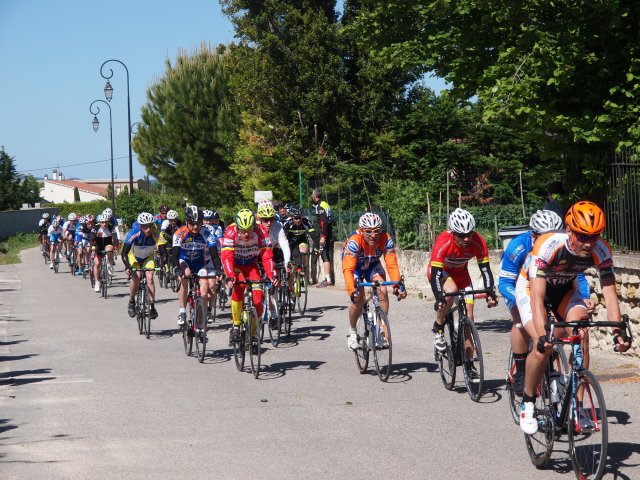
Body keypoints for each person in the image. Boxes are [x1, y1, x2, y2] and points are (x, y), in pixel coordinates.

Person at [517, 201, 631, 435]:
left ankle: (577, 407)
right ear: (569, 230)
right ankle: (527, 402)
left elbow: (610, 295)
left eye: (594, 236)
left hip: (565, 290)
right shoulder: (548, 245)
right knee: (543, 346)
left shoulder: (601, 250)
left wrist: (617, 331)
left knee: (582, 332)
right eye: (583, 236)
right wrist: (542, 335)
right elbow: (537, 298)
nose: (589, 243)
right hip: (531, 289)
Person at [498, 209, 589, 395]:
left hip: (551, 287)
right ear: (533, 236)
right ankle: (521, 370)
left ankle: (552, 364)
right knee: (520, 321)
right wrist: (520, 303)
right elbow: (505, 282)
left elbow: (577, 275)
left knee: (559, 327)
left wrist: (585, 296)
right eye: (543, 236)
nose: (550, 239)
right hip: (520, 287)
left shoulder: (564, 245)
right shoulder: (518, 246)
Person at [428, 208, 498, 375]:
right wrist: (439, 297)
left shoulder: (478, 242)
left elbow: (485, 270)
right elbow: (436, 273)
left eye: (469, 234)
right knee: (450, 291)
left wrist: (490, 292)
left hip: (462, 275)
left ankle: (469, 364)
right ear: (452, 232)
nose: (466, 238)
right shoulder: (443, 241)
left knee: (469, 317)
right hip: (441, 273)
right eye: (461, 235)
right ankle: (438, 326)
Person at [342, 212, 406, 350]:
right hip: (355, 267)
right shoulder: (354, 241)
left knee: (382, 289)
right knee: (358, 297)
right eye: (368, 231)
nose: (373, 235)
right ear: (361, 230)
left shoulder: (385, 239)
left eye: (377, 231)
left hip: (372, 265)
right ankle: (352, 331)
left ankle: (382, 330)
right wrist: (352, 291)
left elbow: (392, 265)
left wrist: (397, 285)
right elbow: (348, 269)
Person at [221, 209, 276, 348]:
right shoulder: (230, 231)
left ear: (254, 226)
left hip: (252, 265)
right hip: (236, 265)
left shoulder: (261, 231)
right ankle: (236, 325)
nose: (246, 234)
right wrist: (230, 275)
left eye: (249, 230)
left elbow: (266, 256)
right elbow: (226, 256)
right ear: (237, 227)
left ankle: (254, 334)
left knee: (258, 296)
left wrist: (270, 274)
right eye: (243, 230)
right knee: (239, 286)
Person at [171, 206, 223, 327]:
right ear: (186, 222)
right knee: (186, 275)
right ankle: (182, 311)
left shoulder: (207, 233)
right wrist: (177, 269)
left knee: (204, 288)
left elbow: (214, 255)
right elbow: (175, 255)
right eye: (192, 224)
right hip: (184, 260)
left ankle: (201, 320)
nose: (195, 227)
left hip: (200, 262)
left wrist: (218, 269)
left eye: (198, 223)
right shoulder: (179, 233)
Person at [121, 212, 165, 320]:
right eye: (145, 227)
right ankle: (132, 301)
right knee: (136, 277)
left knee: (150, 278)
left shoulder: (157, 233)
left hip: (148, 257)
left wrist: (163, 265)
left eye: (150, 226)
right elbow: (124, 252)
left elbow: (164, 252)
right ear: (140, 226)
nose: (148, 229)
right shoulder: (133, 233)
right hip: (134, 257)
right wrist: (127, 266)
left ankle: (152, 306)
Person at [257, 200, 291, 328]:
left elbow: (284, 245)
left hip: (274, 252)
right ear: (259, 218)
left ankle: (273, 314)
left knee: (273, 284)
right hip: (258, 254)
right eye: (265, 220)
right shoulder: (255, 227)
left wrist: (287, 262)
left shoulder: (277, 226)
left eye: (271, 219)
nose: (268, 223)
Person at [282, 205, 315, 293]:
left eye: (300, 218)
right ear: (292, 217)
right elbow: (283, 237)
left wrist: (316, 247)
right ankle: (290, 287)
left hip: (302, 241)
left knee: (303, 252)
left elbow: (314, 235)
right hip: (291, 244)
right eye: (296, 218)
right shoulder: (287, 223)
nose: (298, 220)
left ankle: (302, 268)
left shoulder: (306, 222)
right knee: (292, 269)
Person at [311, 188, 334, 287]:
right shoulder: (324, 204)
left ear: (315, 196)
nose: (312, 196)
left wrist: (323, 236)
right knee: (325, 255)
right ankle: (328, 278)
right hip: (328, 233)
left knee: (324, 255)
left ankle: (328, 279)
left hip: (324, 234)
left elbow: (324, 222)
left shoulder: (320, 206)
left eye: (312, 194)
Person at [90, 214, 115, 293]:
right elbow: (91, 239)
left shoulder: (111, 227)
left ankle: (110, 265)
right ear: (99, 222)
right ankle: (97, 282)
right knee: (97, 263)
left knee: (109, 250)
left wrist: (115, 246)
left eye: (106, 222)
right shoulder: (95, 227)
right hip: (98, 246)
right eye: (102, 222)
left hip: (108, 244)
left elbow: (115, 239)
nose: (104, 224)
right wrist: (93, 248)